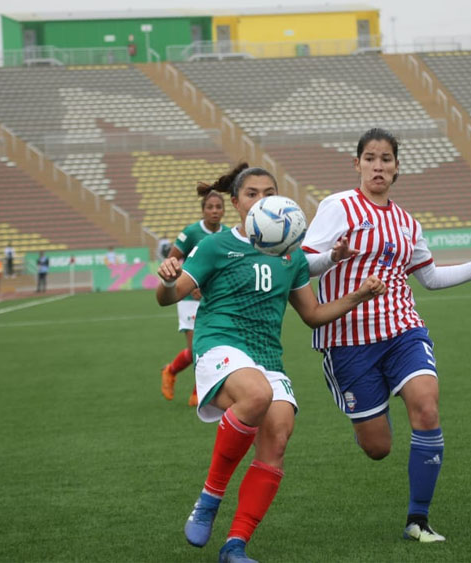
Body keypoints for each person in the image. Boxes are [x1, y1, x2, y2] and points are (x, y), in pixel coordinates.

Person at [155, 164, 386, 563]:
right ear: (236, 203)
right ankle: (209, 498)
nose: (261, 200)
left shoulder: (291, 256)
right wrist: (166, 278)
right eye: (251, 194)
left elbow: (312, 314)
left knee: (278, 433)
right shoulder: (215, 246)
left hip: (266, 355)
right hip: (220, 345)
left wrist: (357, 296)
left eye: (269, 192)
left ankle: (235, 546)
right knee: (257, 395)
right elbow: (169, 297)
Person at [301, 128, 471, 543]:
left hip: (403, 331)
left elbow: (430, 279)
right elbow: (302, 268)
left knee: (427, 407)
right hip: (348, 342)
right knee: (377, 447)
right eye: (370, 158)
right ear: (357, 163)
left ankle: (419, 520)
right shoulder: (337, 207)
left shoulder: (406, 223)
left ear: (397, 168)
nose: (378, 166)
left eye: (386, 159)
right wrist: (333, 257)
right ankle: (369, 409)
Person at [160, 187, 229, 407]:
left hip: (214, 299)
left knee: (210, 347)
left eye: (219, 207)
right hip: (190, 299)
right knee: (193, 350)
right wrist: (190, 286)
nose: (214, 211)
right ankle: (170, 371)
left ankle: (198, 392)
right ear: (203, 210)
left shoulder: (227, 234)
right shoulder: (191, 232)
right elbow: (172, 262)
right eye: (210, 207)